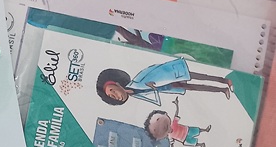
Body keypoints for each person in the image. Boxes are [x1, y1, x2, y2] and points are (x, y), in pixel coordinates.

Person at [96, 57, 233, 106]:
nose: (115, 96)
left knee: (198, 76)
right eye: (112, 96)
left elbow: (155, 69)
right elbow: (156, 98)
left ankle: (224, 80)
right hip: (169, 87)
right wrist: (155, 90)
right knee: (196, 87)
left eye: (113, 91)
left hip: (170, 75)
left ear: (117, 84)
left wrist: (152, 84)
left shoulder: (138, 80)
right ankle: (223, 90)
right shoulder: (136, 94)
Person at [144, 98, 210, 147]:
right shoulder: (170, 137)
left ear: (165, 114)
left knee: (197, 130)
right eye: (155, 130)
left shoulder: (173, 124)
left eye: (158, 119)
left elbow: (176, 113)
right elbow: (172, 144)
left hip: (187, 130)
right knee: (193, 143)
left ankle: (205, 130)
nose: (160, 127)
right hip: (184, 139)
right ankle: (201, 144)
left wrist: (177, 104)